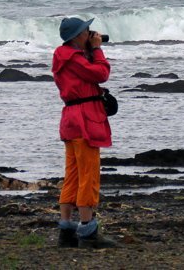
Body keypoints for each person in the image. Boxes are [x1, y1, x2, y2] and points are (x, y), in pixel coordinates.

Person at [52, 17, 116, 249]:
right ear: (78, 35)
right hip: (84, 118)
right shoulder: (73, 58)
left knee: (73, 175)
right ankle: (88, 230)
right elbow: (100, 74)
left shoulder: (65, 56)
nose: (90, 34)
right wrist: (97, 50)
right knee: (88, 174)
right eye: (87, 31)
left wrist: (89, 50)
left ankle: (66, 229)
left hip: (71, 118)